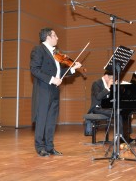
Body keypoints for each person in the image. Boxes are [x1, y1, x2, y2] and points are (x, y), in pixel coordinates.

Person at [30, 27, 82, 157]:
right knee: (42, 119)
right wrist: (52, 79)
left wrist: (73, 68)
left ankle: (49, 147)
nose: (57, 38)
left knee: (52, 120)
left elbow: (60, 73)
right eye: (55, 35)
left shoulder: (56, 54)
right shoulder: (38, 50)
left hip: (54, 90)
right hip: (43, 89)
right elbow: (34, 70)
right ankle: (40, 147)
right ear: (48, 37)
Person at [88, 71, 124, 137]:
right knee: (118, 114)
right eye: (112, 78)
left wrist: (116, 88)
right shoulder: (96, 83)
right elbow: (98, 97)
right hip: (97, 108)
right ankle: (119, 138)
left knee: (123, 112)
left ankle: (126, 137)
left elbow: (112, 98)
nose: (113, 80)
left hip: (107, 107)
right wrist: (107, 87)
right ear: (106, 76)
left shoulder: (109, 84)